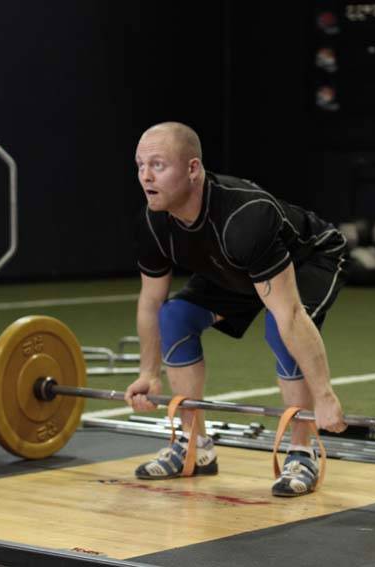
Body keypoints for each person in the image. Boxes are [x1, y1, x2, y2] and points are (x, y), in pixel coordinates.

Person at [124, 122, 348, 497]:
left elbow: (290, 314)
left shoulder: (245, 216)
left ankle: (301, 450)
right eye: (139, 165)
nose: (145, 176)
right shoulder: (152, 221)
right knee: (175, 317)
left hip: (310, 258)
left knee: (280, 329)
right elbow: (151, 301)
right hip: (236, 269)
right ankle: (194, 445)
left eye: (158, 165)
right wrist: (149, 372)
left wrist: (324, 396)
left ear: (193, 169)